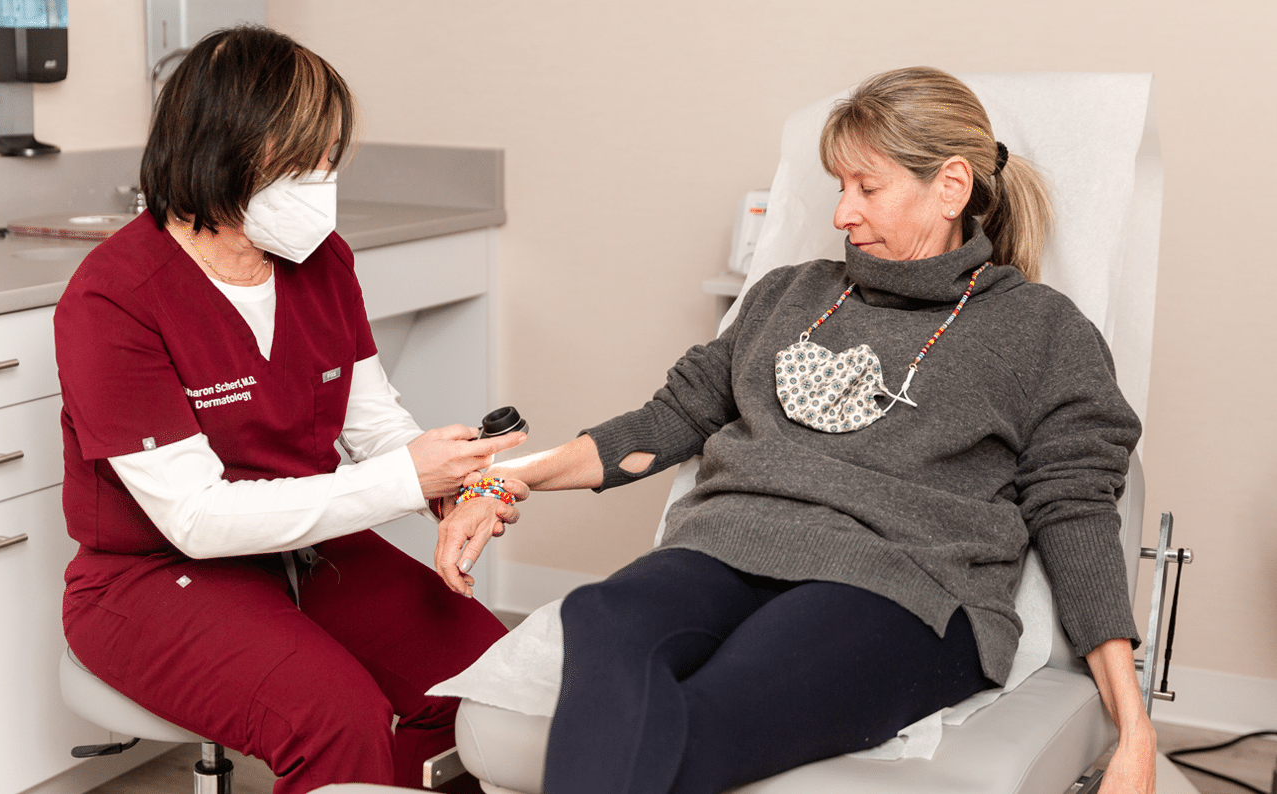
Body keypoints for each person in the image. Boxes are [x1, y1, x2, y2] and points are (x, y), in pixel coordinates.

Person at [435, 67, 1156, 794]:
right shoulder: (788, 294)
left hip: (904, 585)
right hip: (728, 545)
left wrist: (1134, 728)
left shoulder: (1041, 330)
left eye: (866, 188)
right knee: (601, 615)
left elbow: (1076, 513)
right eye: (839, 187)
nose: (842, 214)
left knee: (703, 715)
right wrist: (500, 479)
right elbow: (667, 420)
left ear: (951, 186)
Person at [57, 26, 528, 794]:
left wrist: (461, 484)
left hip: (307, 551)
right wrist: (405, 481)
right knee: (334, 718)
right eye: (301, 160)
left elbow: (373, 423)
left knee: (487, 680)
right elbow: (197, 521)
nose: (321, 181)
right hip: (152, 577)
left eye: (329, 159)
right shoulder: (115, 297)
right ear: (222, 147)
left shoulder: (321, 261)